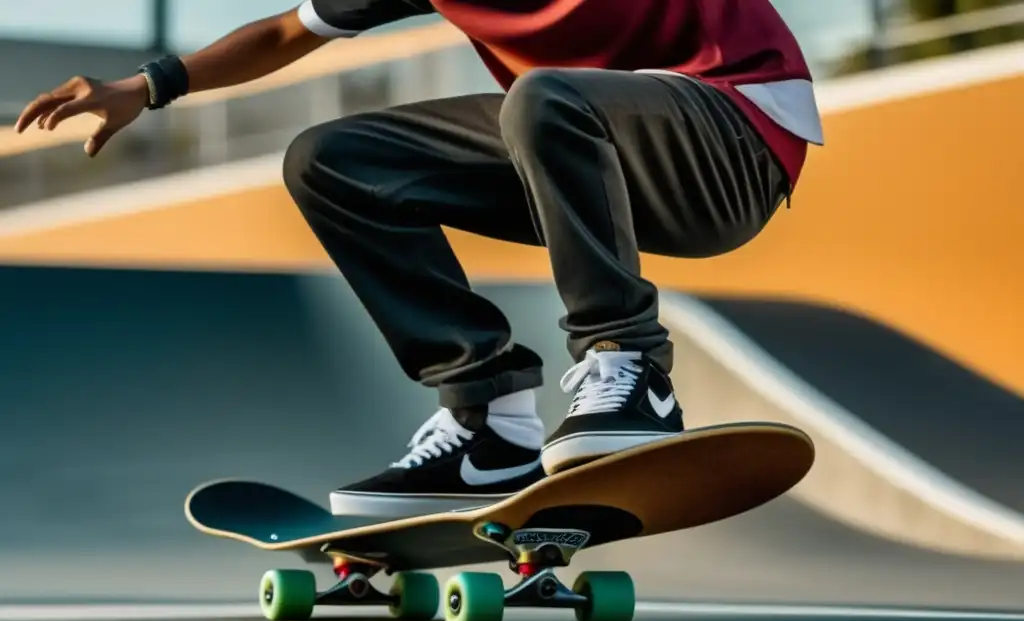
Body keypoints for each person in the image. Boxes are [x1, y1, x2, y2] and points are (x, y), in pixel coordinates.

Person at [15, 1, 823, 520]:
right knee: (335, 159)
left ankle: (631, 369)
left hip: (733, 136)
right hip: (579, 140)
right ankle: (489, 422)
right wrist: (147, 85)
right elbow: (286, 32)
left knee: (542, 95)